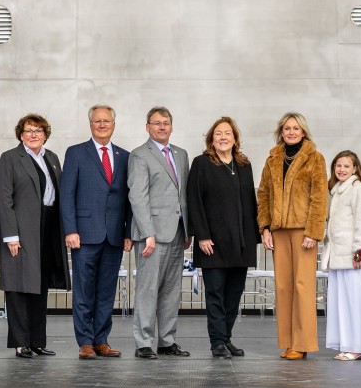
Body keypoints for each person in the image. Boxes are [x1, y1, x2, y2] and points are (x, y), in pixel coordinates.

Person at [60, 105, 132, 360]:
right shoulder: (77, 153)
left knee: (106, 291)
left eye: (107, 121)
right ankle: (85, 342)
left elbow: (128, 198)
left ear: (114, 124)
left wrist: (128, 231)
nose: (102, 125)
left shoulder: (124, 156)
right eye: (97, 121)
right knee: (84, 290)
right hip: (85, 235)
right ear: (90, 124)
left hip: (114, 235)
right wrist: (70, 229)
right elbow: (66, 194)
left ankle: (101, 339)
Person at [0, 113, 70, 359]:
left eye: (38, 130)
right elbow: (4, 199)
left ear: (45, 134)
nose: (34, 135)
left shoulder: (52, 158)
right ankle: (20, 342)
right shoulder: (10, 158)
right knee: (19, 287)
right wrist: (10, 235)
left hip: (47, 228)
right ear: (20, 134)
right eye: (28, 130)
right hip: (21, 230)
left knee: (39, 287)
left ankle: (37, 341)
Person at [257, 112, 328, 360]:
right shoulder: (272, 160)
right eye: (287, 128)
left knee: (303, 286)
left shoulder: (315, 158)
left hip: (303, 232)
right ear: (281, 131)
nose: (291, 132)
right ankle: (288, 342)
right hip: (278, 231)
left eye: (296, 128)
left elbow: (320, 198)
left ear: (303, 131)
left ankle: (303, 342)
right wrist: (264, 227)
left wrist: (313, 232)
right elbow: (263, 195)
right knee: (284, 287)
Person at [187, 117, 259, 359]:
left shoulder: (244, 165)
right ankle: (217, 342)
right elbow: (194, 202)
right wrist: (202, 236)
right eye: (218, 133)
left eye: (228, 133)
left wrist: (254, 238)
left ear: (235, 138)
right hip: (213, 243)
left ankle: (226, 338)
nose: (223, 137)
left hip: (241, 242)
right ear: (211, 139)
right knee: (215, 294)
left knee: (233, 295)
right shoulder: (201, 164)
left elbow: (250, 203)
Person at [128, 107, 191, 360]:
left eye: (166, 123)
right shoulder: (139, 155)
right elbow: (137, 196)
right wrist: (147, 233)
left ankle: (167, 340)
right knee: (148, 289)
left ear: (172, 126)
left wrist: (188, 229)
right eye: (156, 123)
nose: (162, 127)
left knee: (171, 290)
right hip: (151, 234)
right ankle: (143, 342)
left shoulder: (181, 154)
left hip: (177, 232)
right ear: (147, 127)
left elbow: (183, 195)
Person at [321, 151, 361, 361]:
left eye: (346, 166)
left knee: (356, 302)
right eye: (338, 166)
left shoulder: (357, 188)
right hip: (339, 255)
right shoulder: (338, 189)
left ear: (355, 168)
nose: (341, 170)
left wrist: (359, 250)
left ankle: (359, 345)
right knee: (343, 303)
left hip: (352, 255)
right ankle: (349, 343)